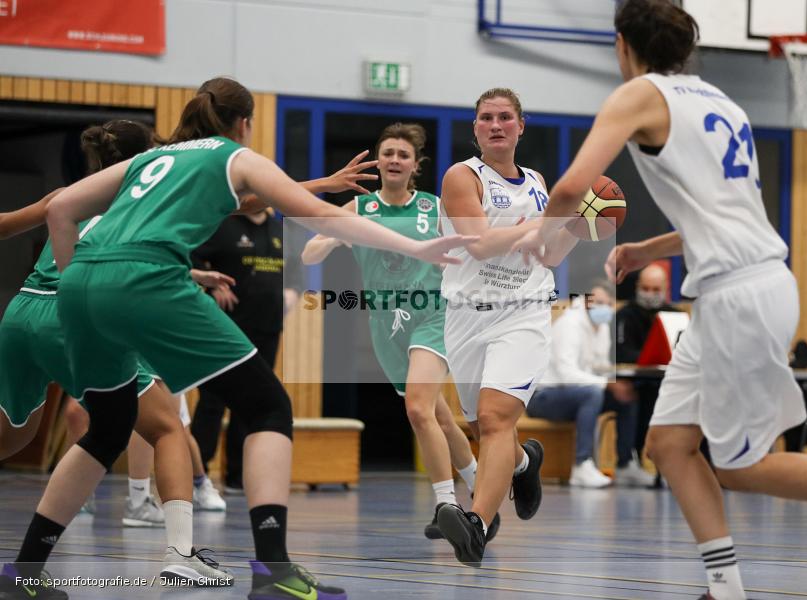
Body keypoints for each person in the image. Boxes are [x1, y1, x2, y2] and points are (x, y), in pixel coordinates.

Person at [15, 77, 473, 600]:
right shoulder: (233, 156)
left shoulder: (150, 160)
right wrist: (415, 250)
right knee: (268, 407)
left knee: (107, 427)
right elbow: (318, 217)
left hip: (75, 290)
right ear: (244, 123)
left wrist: (77, 284)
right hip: (146, 281)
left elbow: (59, 210)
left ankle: (25, 571)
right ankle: (274, 570)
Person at [513, 2, 807, 598]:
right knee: (669, 445)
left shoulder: (639, 93)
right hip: (744, 286)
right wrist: (649, 248)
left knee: (740, 466)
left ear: (622, 45)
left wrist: (542, 241)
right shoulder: (720, 101)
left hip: (738, 295)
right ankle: (725, 588)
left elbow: (570, 186)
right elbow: (731, 213)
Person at [0, 120, 234, 596]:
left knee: (10, 436)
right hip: (76, 315)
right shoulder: (141, 202)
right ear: (148, 158)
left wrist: (193, 274)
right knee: (166, 427)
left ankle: (30, 566)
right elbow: (243, 198)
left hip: (23, 312)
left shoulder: (68, 194)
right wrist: (318, 186)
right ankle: (181, 556)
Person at [301, 123, 491, 540]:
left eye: (403, 155)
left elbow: (468, 249)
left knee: (419, 409)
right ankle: (481, 490)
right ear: (377, 159)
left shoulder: (432, 206)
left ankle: (447, 504)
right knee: (438, 415)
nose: (394, 160)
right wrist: (334, 237)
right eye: (387, 152)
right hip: (386, 324)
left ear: (415, 165)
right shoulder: (358, 209)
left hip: (433, 315)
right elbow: (309, 252)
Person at [435, 88, 579, 566]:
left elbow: (549, 254)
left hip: (525, 309)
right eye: (486, 118)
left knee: (496, 418)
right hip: (466, 313)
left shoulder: (538, 182)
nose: (495, 125)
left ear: (521, 126)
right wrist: (542, 223)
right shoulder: (462, 176)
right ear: (475, 128)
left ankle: (475, 525)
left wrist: (577, 228)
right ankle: (524, 462)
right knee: (483, 426)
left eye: (504, 117)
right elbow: (478, 245)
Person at [190, 206, 299, 495]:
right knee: (212, 401)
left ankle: (237, 477)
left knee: (252, 403)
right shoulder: (223, 225)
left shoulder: (280, 230)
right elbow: (191, 256)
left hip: (267, 329)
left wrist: (293, 292)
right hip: (226, 329)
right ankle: (196, 476)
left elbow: (298, 269)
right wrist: (212, 286)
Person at [528, 279, 653, 487]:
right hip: (543, 397)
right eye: (597, 302)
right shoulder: (569, 324)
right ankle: (582, 464)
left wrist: (618, 378)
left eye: (607, 304)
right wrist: (608, 383)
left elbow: (599, 365)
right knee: (593, 392)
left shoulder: (601, 327)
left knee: (627, 394)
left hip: (577, 395)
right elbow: (567, 374)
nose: (601, 308)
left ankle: (625, 464)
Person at [615, 263, 680, 467]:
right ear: (637, 287)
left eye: (655, 290)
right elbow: (621, 351)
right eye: (645, 288)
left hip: (671, 383)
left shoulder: (675, 315)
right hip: (636, 383)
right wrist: (648, 359)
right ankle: (635, 458)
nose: (650, 294)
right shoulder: (625, 315)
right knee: (640, 398)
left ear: (666, 289)